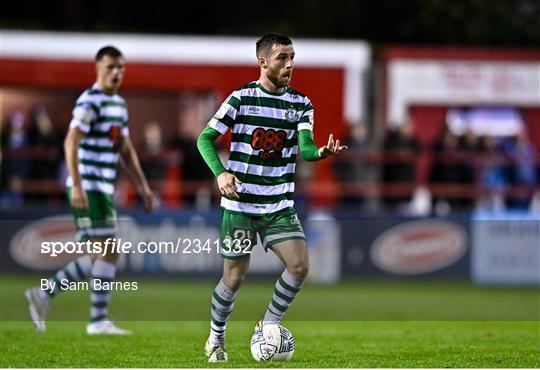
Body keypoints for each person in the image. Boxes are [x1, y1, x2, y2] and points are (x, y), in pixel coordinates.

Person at [197, 33, 347, 362]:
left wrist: (320, 152)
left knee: (299, 265)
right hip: (240, 203)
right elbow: (205, 139)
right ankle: (216, 335)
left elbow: (305, 148)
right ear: (263, 62)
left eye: (292, 56)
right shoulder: (241, 98)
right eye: (282, 58)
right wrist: (221, 173)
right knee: (233, 278)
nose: (290, 63)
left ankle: (268, 325)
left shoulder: (301, 103)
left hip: (278, 203)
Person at [24, 46, 157, 335]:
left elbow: (124, 147)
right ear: (98, 68)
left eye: (120, 67)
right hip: (87, 184)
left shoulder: (118, 105)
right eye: (110, 67)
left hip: (102, 187)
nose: (116, 72)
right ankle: (93, 319)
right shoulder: (90, 100)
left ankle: (48, 296)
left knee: (106, 252)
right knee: (106, 251)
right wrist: (78, 182)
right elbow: (71, 141)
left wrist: (143, 185)